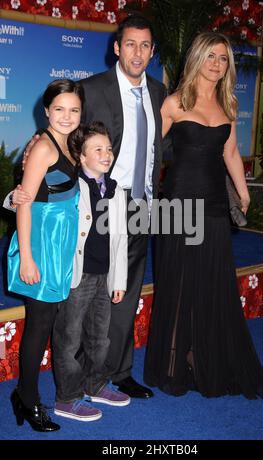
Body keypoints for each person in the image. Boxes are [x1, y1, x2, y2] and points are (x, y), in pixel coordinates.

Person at [144, 32, 263, 400]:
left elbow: (230, 153)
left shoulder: (227, 103)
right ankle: (175, 364)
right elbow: (148, 154)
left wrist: (243, 194)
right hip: (178, 205)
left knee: (212, 281)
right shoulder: (175, 102)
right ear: (197, 58)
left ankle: (202, 357)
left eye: (223, 58)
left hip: (213, 205)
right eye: (210, 56)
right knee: (178, 280)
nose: (216, 64)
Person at [79, 14, 166, 398]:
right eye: (130, 44)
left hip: (143, 204)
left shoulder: (160, 92)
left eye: (145, 46)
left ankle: (119, 370)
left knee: (127, 291)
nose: (137, 53)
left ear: (152, 51)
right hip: (104, 204)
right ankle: (87, 372)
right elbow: (66, 136)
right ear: (117, 47)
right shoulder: (92, 89)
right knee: (93, 291)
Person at [7, 79, 83, 432]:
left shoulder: (69, 142)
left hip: (59, 241)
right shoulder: (43, 148)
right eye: (59, 110)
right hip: (39, 244)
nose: (66, 116)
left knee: (47, 321)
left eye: (74, 110)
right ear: (46, 111)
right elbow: (23, 205)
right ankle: (28, 398)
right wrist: (26, 257)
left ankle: (25, 394)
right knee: (39, 326)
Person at [52, 122, 130, 421]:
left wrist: (118, 280)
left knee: (101, 337)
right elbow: (37, 205)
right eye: (97, 149)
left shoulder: (116, 190)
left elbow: (121, 238)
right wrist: (16, 197)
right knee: (69, 338)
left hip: (104, 275)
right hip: (77, 276)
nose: (106, 154)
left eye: (108, 148)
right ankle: (66, 398)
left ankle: (95, 385)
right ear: (81, 157)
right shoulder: (70, 185)